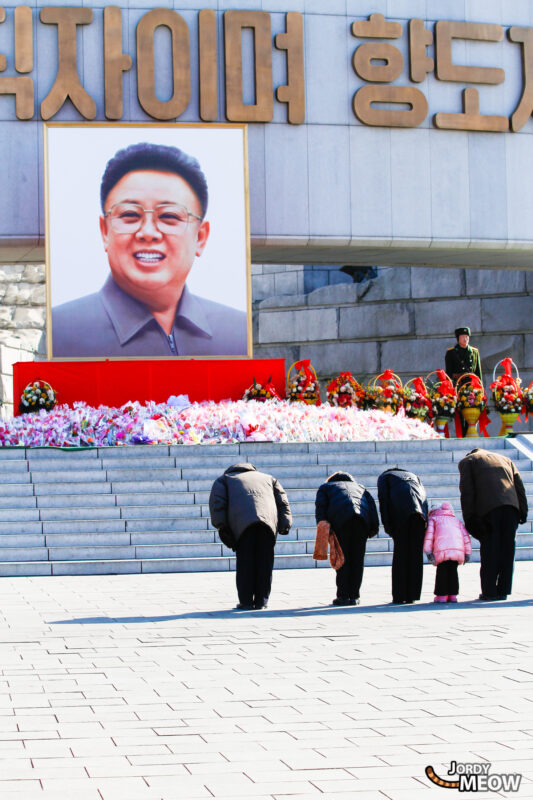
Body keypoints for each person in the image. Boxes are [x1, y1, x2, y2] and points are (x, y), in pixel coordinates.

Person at [51, 142, 247, 357]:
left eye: (169, 216)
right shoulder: (61, 329)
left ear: (200, 237)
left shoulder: (237, 333)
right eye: (129, 215)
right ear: (105, 231)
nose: (148, 232)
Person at [209, 463, 292, 610]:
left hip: (242, 525)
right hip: (267, 525)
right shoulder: (269, 478)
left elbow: (218, 504)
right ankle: (262, 601)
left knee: (245, 564)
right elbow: (283, 502)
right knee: (265, 563)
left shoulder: (224, 480)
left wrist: (221, 526)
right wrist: (285, 523)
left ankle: (246, 601)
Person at [458, 448, 528, 601]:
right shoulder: (505, 459)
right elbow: (519, 486)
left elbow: (467, 492)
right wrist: (523, 511)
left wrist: (470, 520)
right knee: (507, 551)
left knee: (490, 550)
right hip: (511, 508)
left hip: (488, 509)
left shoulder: (468, 461)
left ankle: (489, 591)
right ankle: (503, 590)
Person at [315, 472, 379, 606]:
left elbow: (321, 508)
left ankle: (343, 596)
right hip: (361, 522)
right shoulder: (360, 487)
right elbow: (372, 507)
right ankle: (354, 596)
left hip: (340, 522)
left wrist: (323, 526)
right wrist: (373, 528)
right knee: (357, 559)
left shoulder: (326, 487)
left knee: (341, 558)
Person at [377, 467, 428, 605]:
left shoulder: (385, 477)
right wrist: (426, 520)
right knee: (415, 555)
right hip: (419, 516)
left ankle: (399, 595)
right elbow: (424, 497)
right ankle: (412, 594)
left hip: (400, 514)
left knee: (400, 555)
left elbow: (384, 501)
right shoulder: (413, 475)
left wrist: (388, 526)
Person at [423, 502, 472, 604]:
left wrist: (428, 552)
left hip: (441, 551)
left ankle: (442, 596)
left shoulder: (434, 519)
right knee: (453, 572)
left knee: (442, 573)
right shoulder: (456, 520)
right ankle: (453, 596)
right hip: (456, 551)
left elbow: (429, 536)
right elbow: (465, 537)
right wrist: (467, 552)